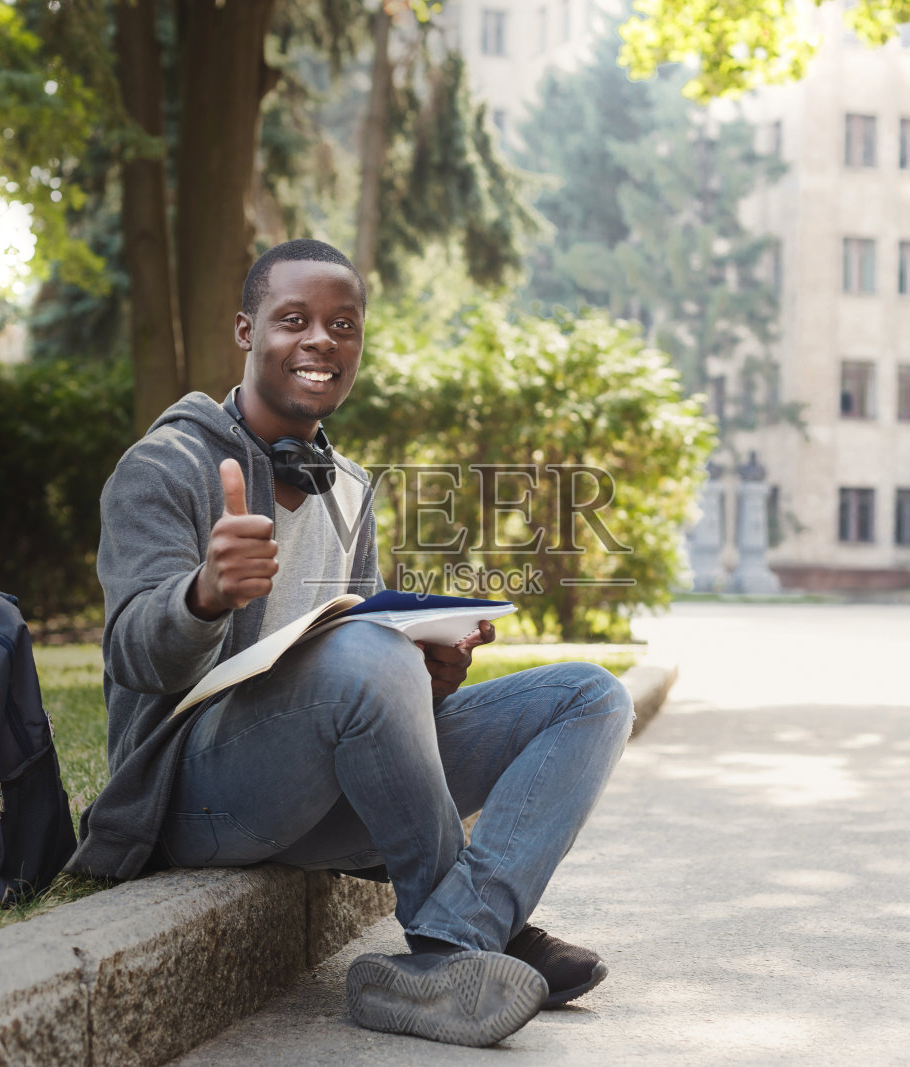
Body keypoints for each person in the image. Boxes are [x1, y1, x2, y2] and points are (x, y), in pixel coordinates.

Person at [68, 239, 634, 1047]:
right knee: (364, 655)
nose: (321, 340)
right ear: (245, 330)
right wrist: (204, 593)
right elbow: (135, 654)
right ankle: (475, 945)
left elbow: (364, 654)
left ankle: (453, 941)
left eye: (344, 324)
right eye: (293, 319)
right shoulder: (165, 465)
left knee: (590, 695)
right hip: (191, 791)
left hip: (324, 784)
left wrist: (428, 674)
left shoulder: (352, 487)